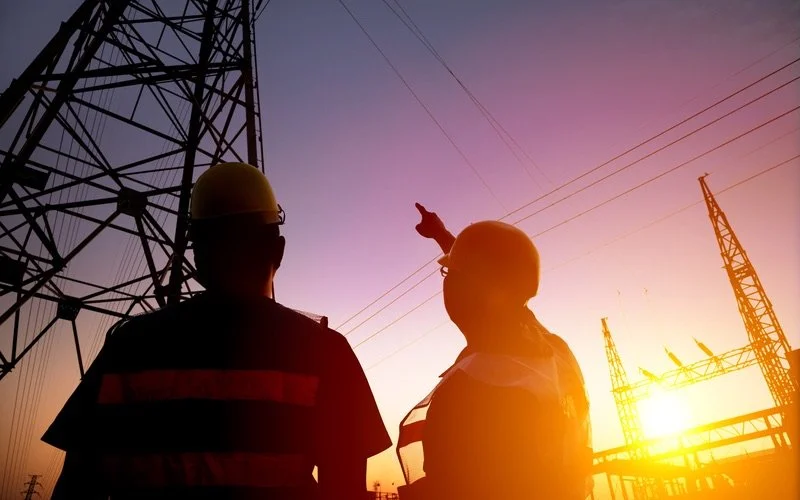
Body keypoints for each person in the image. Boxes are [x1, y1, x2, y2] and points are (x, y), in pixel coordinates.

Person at [42, 162, 391, 499]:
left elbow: (77, 484)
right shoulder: (325, 353)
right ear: (278, 251)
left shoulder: (128, 346)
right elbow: (344, 489)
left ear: (197, 257)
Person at [396, 203, 593, 500]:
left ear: (465, 288)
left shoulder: (469, 387)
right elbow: (498, 280)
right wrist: (442, 235)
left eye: (449, 273)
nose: (446, 281)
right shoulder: (551, 351)